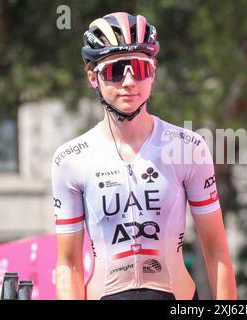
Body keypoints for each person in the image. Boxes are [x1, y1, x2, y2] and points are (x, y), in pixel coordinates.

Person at [51, 12, 237, 300]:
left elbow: (216, 251)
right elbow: (69, 265)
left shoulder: (189, 148)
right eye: (115, 70)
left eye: (139, 68)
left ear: (153, 72)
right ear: (93, 77)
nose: (129, 81)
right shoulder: (70, 159)